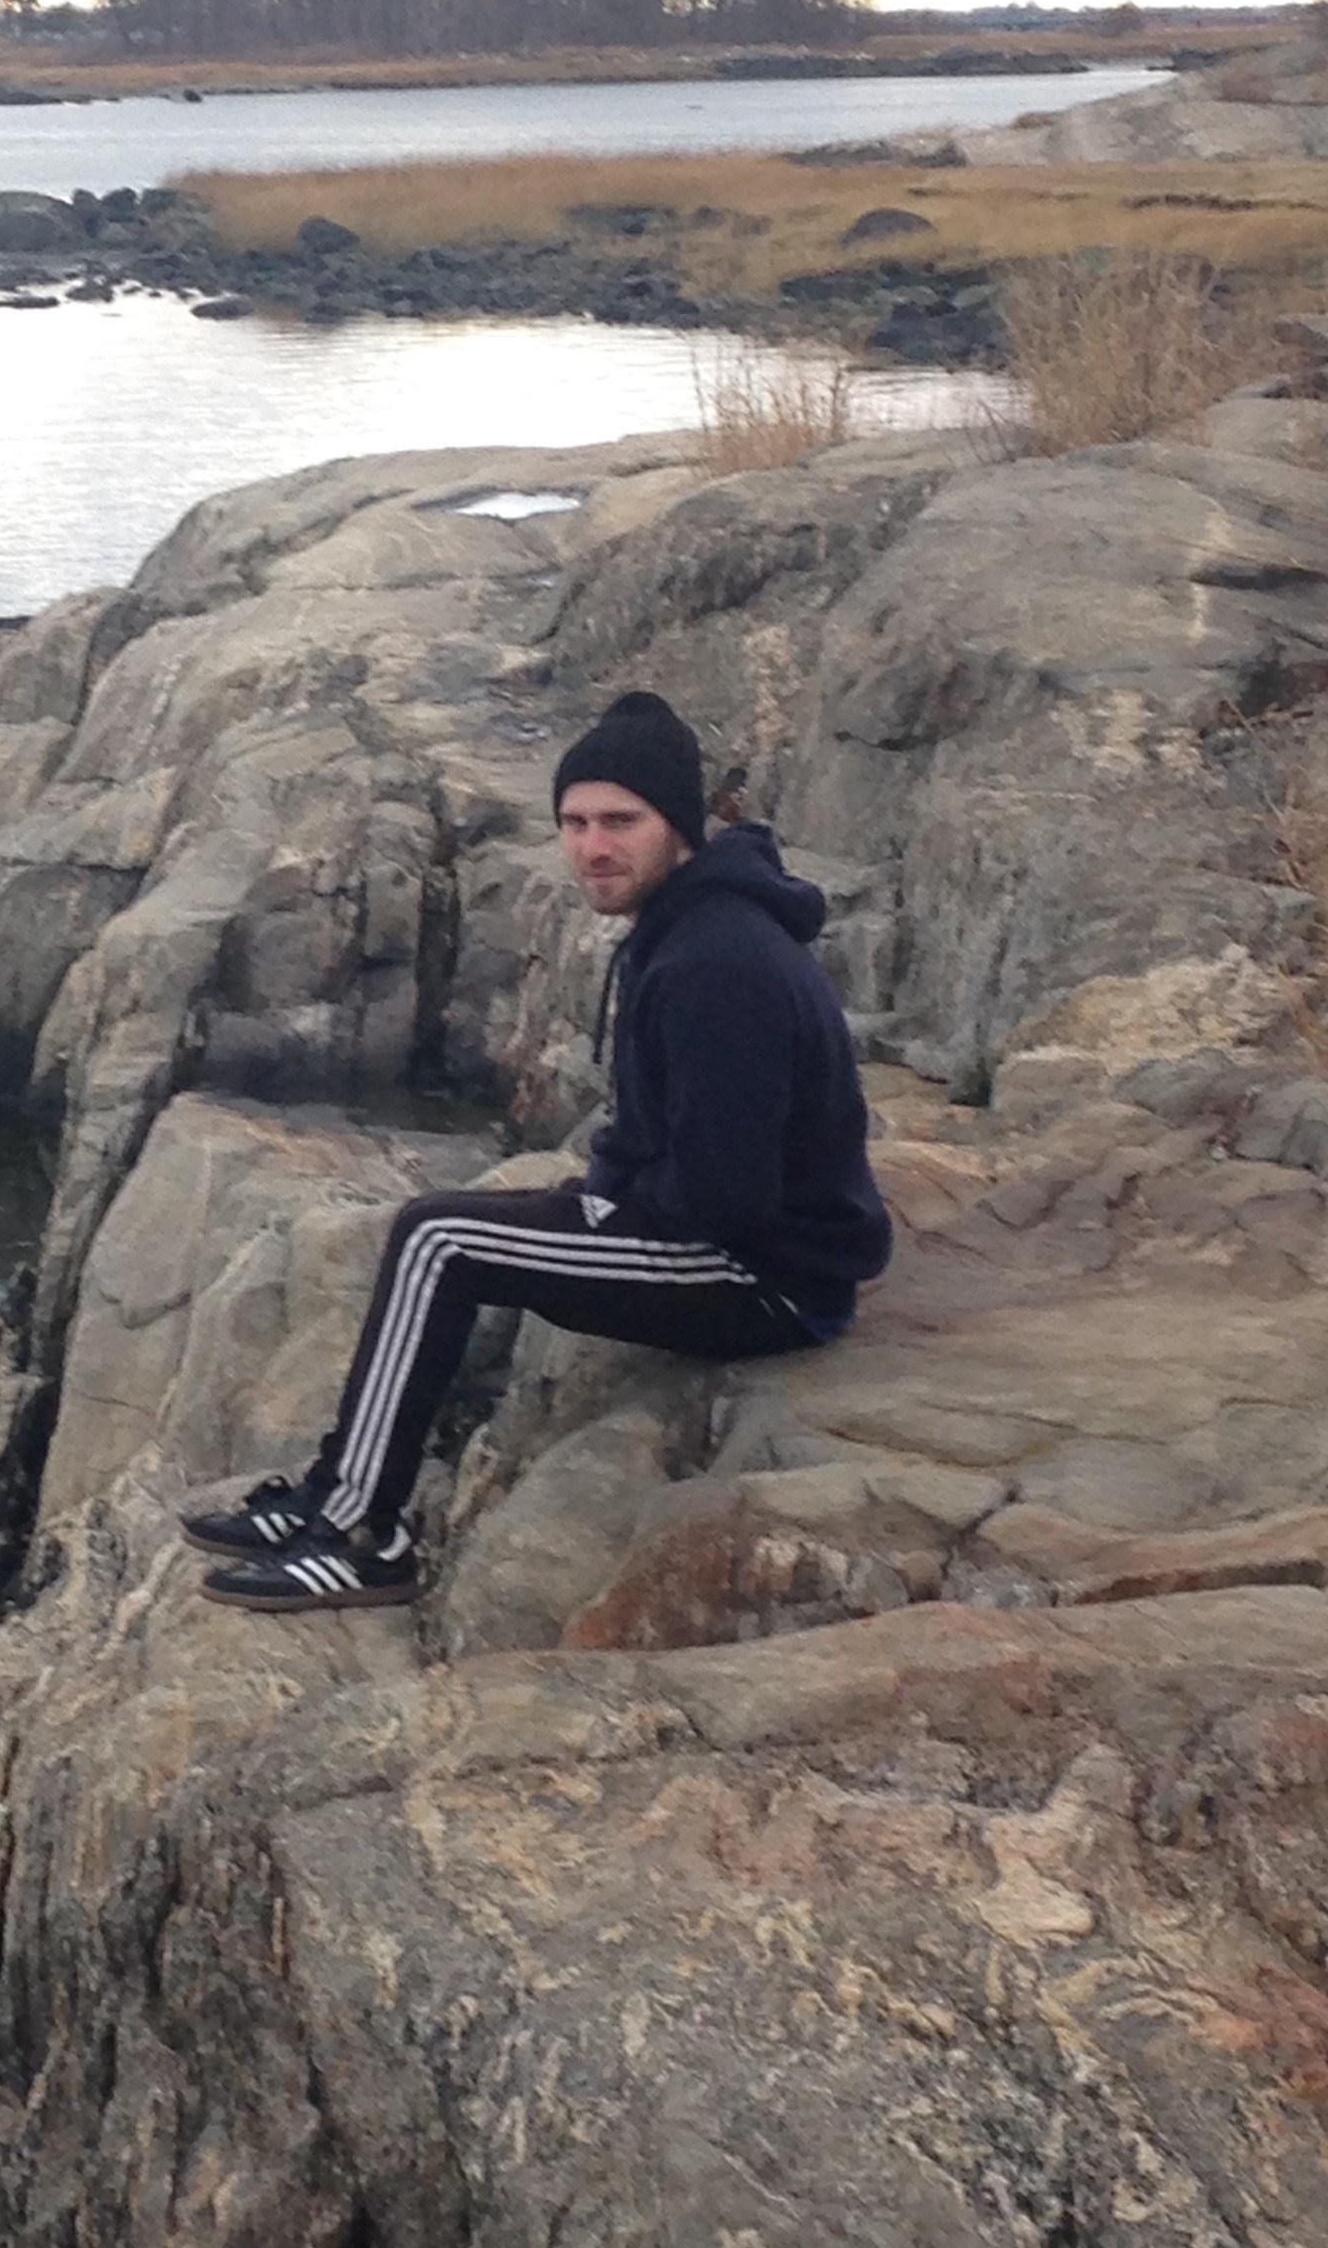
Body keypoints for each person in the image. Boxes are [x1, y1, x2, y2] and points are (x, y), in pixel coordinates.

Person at [186, 690, 892, 1612]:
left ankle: (364, 1534)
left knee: (441, 1239)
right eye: (575, 822)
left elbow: (728, 1197)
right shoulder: (681, 926)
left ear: (676, 826)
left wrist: (608, 1208)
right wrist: (605, 1190)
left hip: (765, 1277)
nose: (593, 846)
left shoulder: (718, 965)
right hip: (730, 1235)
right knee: (453, 1230)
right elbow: (661, 1133)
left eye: (620, 822)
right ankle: (339, 1492)